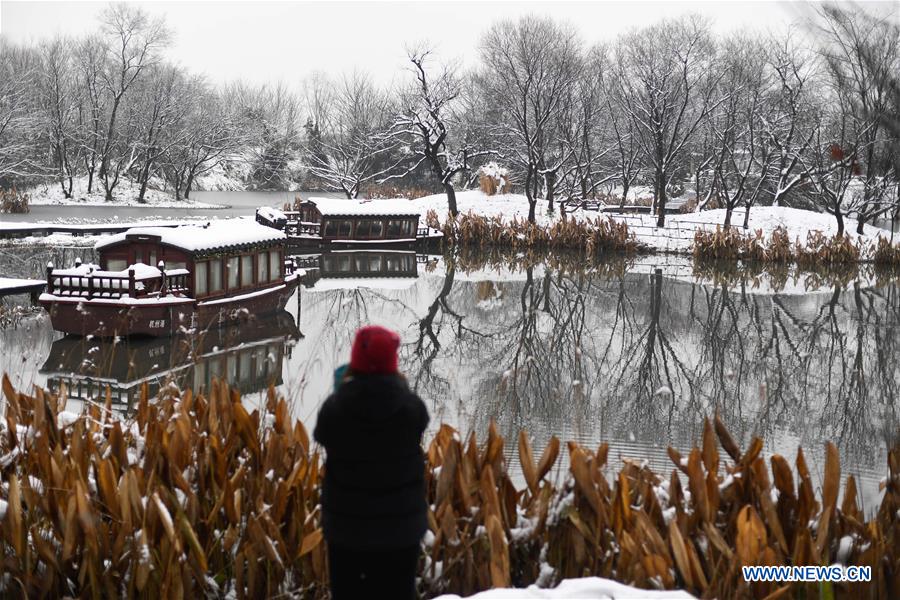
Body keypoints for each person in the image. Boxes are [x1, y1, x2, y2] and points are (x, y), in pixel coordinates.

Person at [313, 325, 430, 600]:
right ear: (393, 362)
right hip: (400, 531)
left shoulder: (336, 408)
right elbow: (412, 423)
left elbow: (323, 435)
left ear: (355, 361)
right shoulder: (411, 408)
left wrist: (342, 389)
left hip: (347, 531)